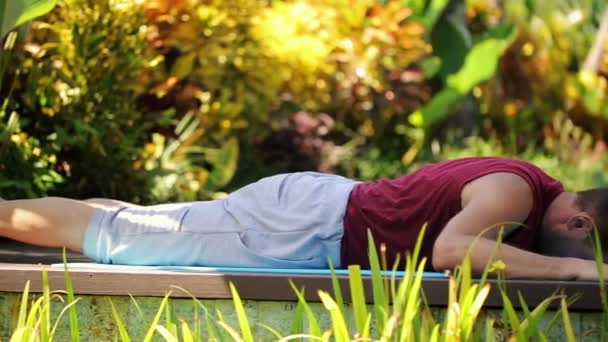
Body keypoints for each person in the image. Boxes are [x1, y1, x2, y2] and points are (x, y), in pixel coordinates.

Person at [0, 156, 606, 280]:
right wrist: (573, 274)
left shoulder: (525, 187)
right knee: (115, 237)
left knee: (134, 221)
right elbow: (452, 251)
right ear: (580, 225)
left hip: (317, 216)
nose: (579, 262)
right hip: (307, 230)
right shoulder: (516, 194)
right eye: (588, 252)